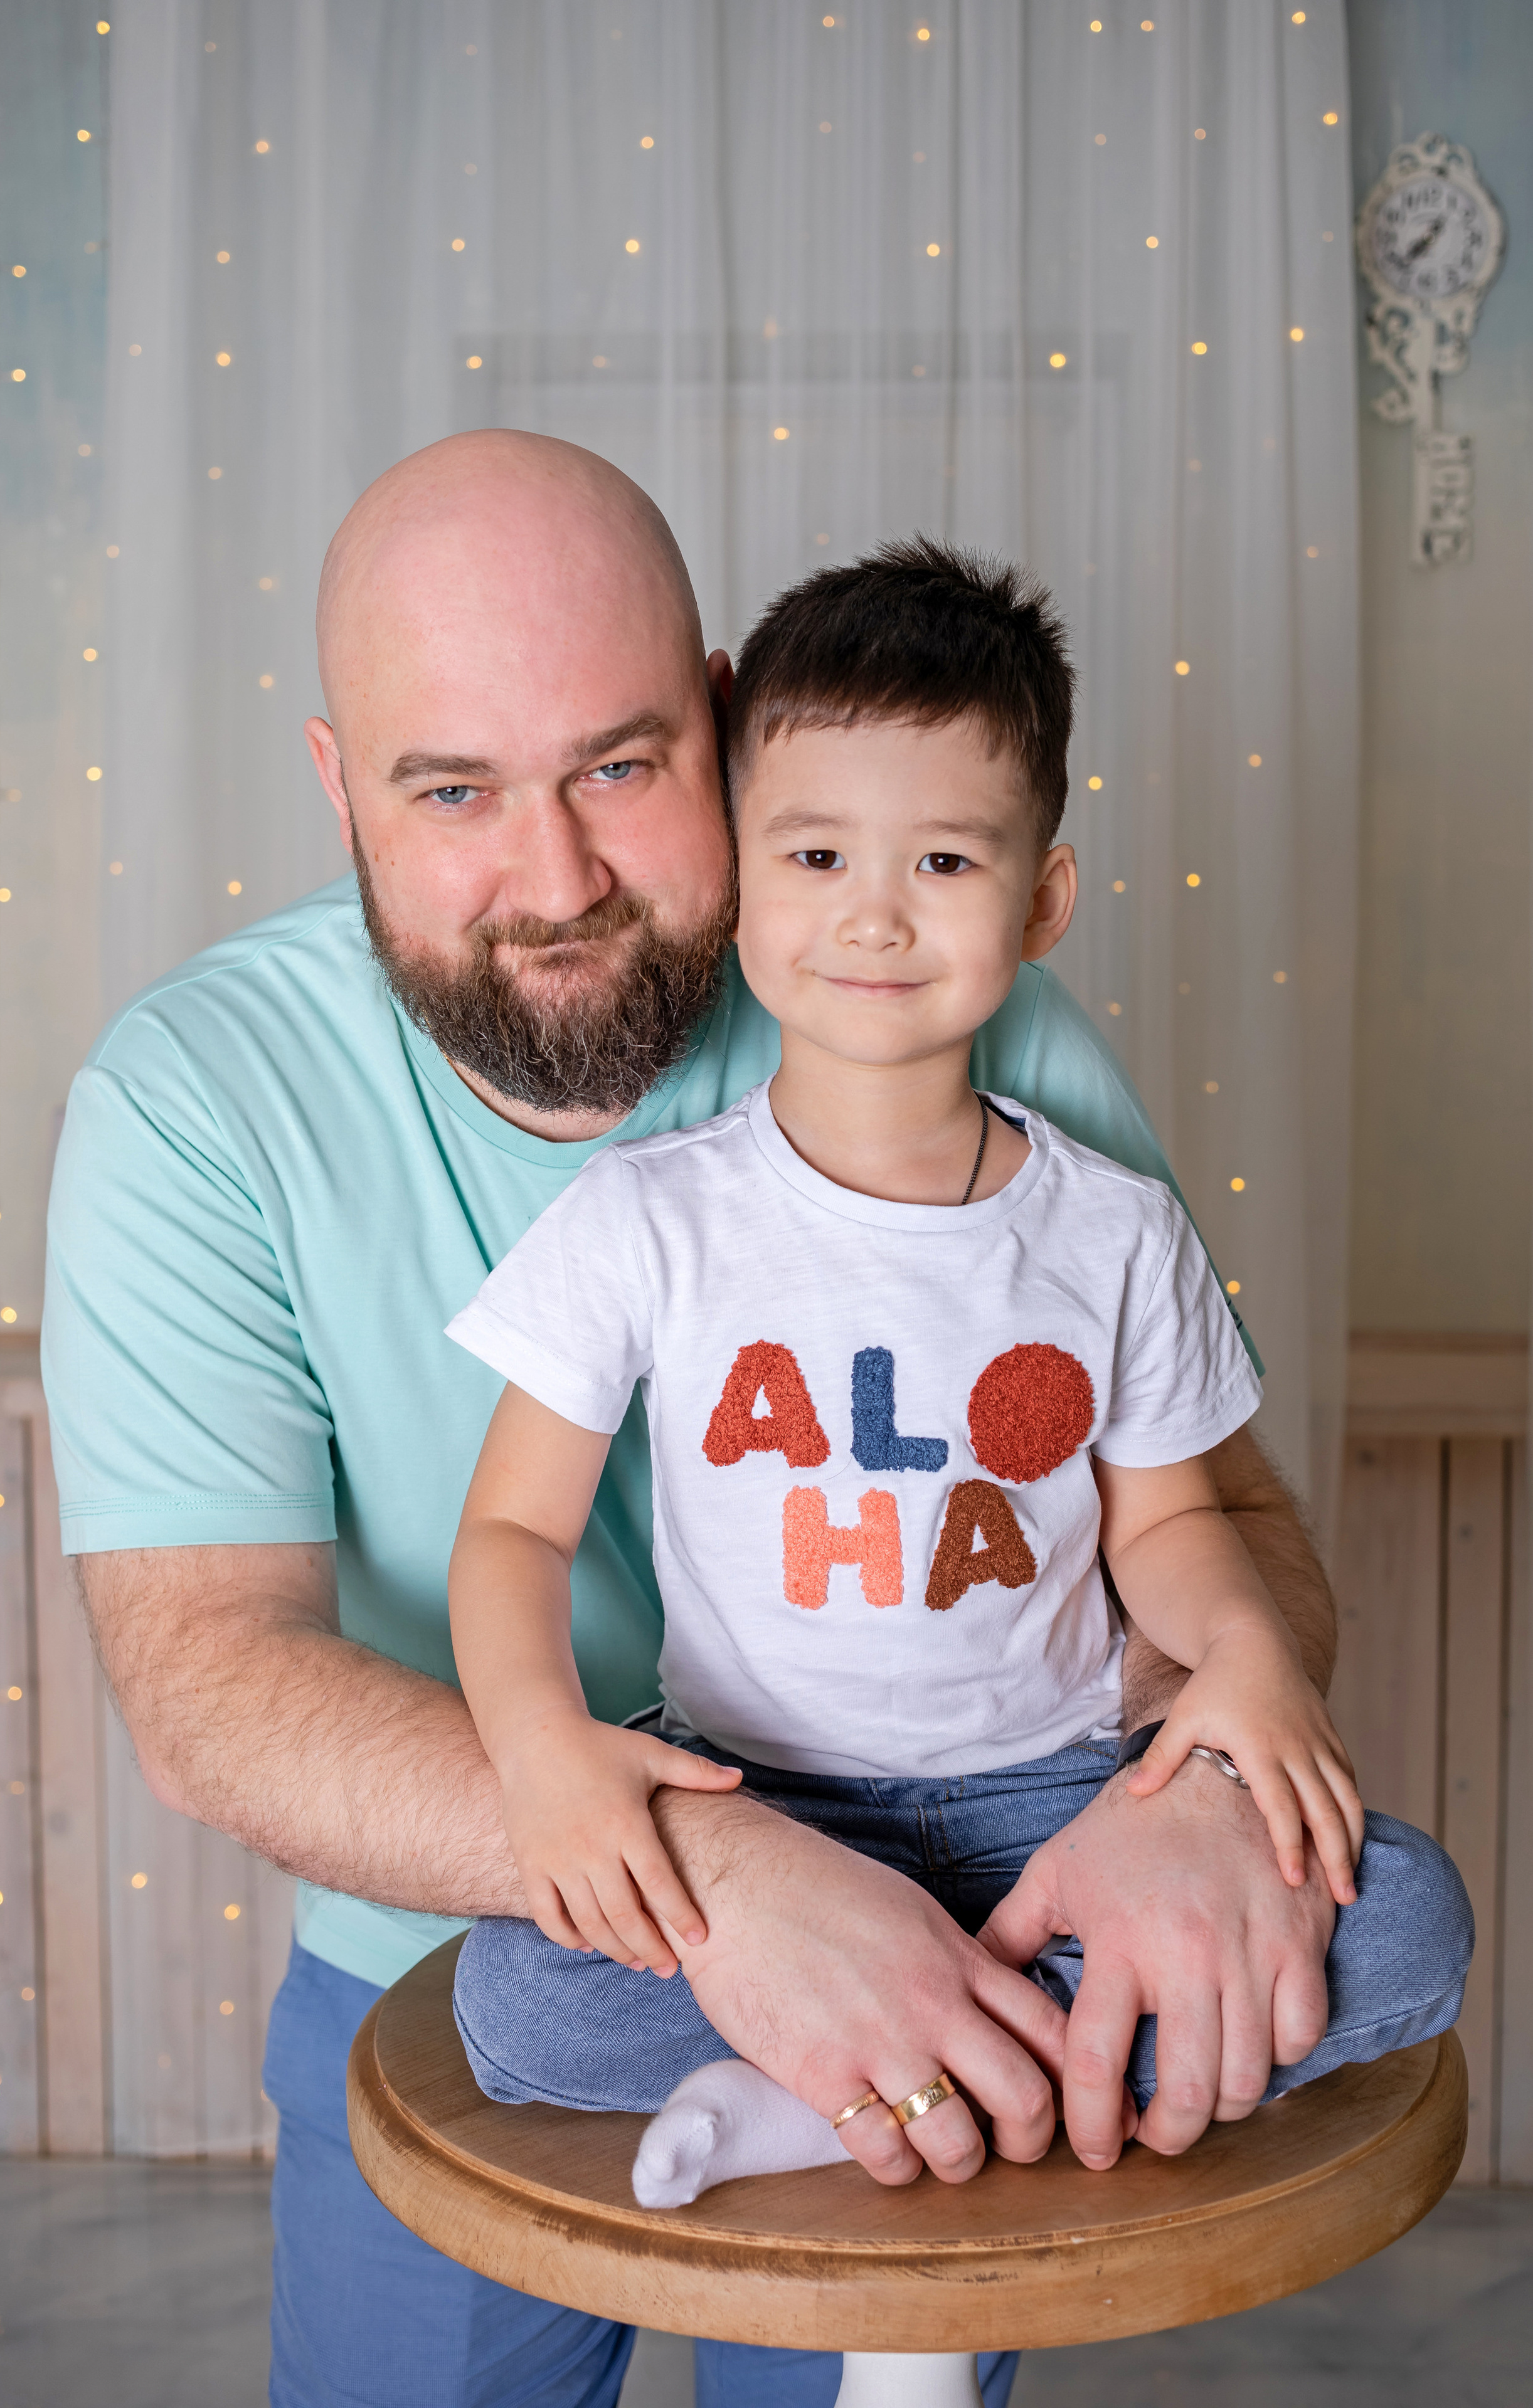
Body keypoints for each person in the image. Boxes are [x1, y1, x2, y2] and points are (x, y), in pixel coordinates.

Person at [41, 431, 1430, 2408]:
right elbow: (207, 1684)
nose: (559, 875)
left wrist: (1196, 1790)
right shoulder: (194, 1098)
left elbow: (1210, 1523)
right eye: (454, 791)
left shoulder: (961, 1028)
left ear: (716, 718)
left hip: (963, 1913)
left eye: (619, 764)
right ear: (343, 785)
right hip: (469, 1937)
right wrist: (728, 1890)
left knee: (1393, 1935)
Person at [443, 541, 1461, 2214]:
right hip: (753, 1808)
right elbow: (512, 1541)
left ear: (1042, 901)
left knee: (1412, 1919)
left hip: (1053, 1812)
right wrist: (545, 1748)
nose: (874, 911)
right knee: (518, 1998)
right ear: (743, 879)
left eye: (941, 859)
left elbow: (1171, 1527)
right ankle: (1012, 2064)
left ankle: (850, 2080)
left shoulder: (1116, 1231)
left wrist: (1253, 1662)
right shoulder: (648, 1219)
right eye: (820, 852)